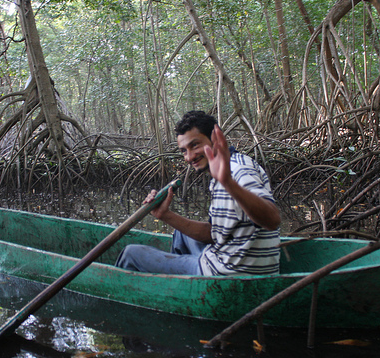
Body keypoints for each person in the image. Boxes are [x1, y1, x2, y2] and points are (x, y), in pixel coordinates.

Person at [115, 110, 281, 276]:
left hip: (228, 275)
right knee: (181, 234)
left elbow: (272, 219)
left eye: (195, 145)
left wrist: (228, 183)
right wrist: (165, 214)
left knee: (131, 254)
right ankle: (180, 287)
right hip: (233, 261)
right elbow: (213, 234)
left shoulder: (238, 171)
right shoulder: (234, 164)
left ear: (216, 139)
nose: (189, 157)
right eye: (184, 151)